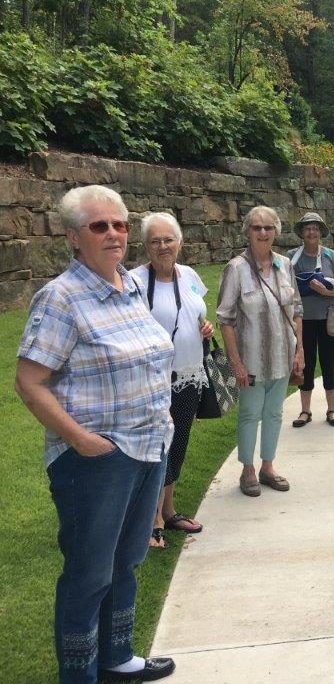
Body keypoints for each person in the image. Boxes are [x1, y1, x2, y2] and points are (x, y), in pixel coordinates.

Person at [15, 185, 177, 683]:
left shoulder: (130, 286)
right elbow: (29, 381)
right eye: (99, 226)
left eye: (120, 224)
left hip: (148, 446)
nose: (113, 234)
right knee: (89, 573)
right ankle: (79, 674)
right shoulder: (61, 298)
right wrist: (83, 441)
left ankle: (116, 656)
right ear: (73, 237)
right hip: (97, 460)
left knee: (125, 561)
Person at [130, 213, 215, 549]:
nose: (163, 246)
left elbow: (197, 313)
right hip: (154, 381)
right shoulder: (135, 281)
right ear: (146, 246)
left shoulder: (189, 275)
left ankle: (168, 510)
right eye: (155, 241)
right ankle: (152, 520)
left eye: (168, 239)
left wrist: (205, 327)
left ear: (180, 241)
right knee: (155, 449)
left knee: (177, 446)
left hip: (189, 375)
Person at [217, 206, 304, 497]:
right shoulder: (236, 269)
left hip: (282, 356)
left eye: (268, 227)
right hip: (250, 360)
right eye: (257, 227)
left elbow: (297, 311)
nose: (263, 232)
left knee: (275, 413)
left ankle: (268, 466)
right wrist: (236, 362)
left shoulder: (285, 265)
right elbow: (225, 320)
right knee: (250, 414)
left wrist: (299, 351)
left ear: (276, 231)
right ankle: (248, 470)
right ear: (247, 232)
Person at [288, 212, 334, 428]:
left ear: (321, 232)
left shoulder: (331, 255)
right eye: (307, 228)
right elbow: (285, 287)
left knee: (329, 362)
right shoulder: (292, 257)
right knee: (305, 363)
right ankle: (305, 410)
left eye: (315, 228)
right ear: (302, 233)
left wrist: (325, 291)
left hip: (329, 318)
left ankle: (332, 409)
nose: (311, 232)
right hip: (302, 320)